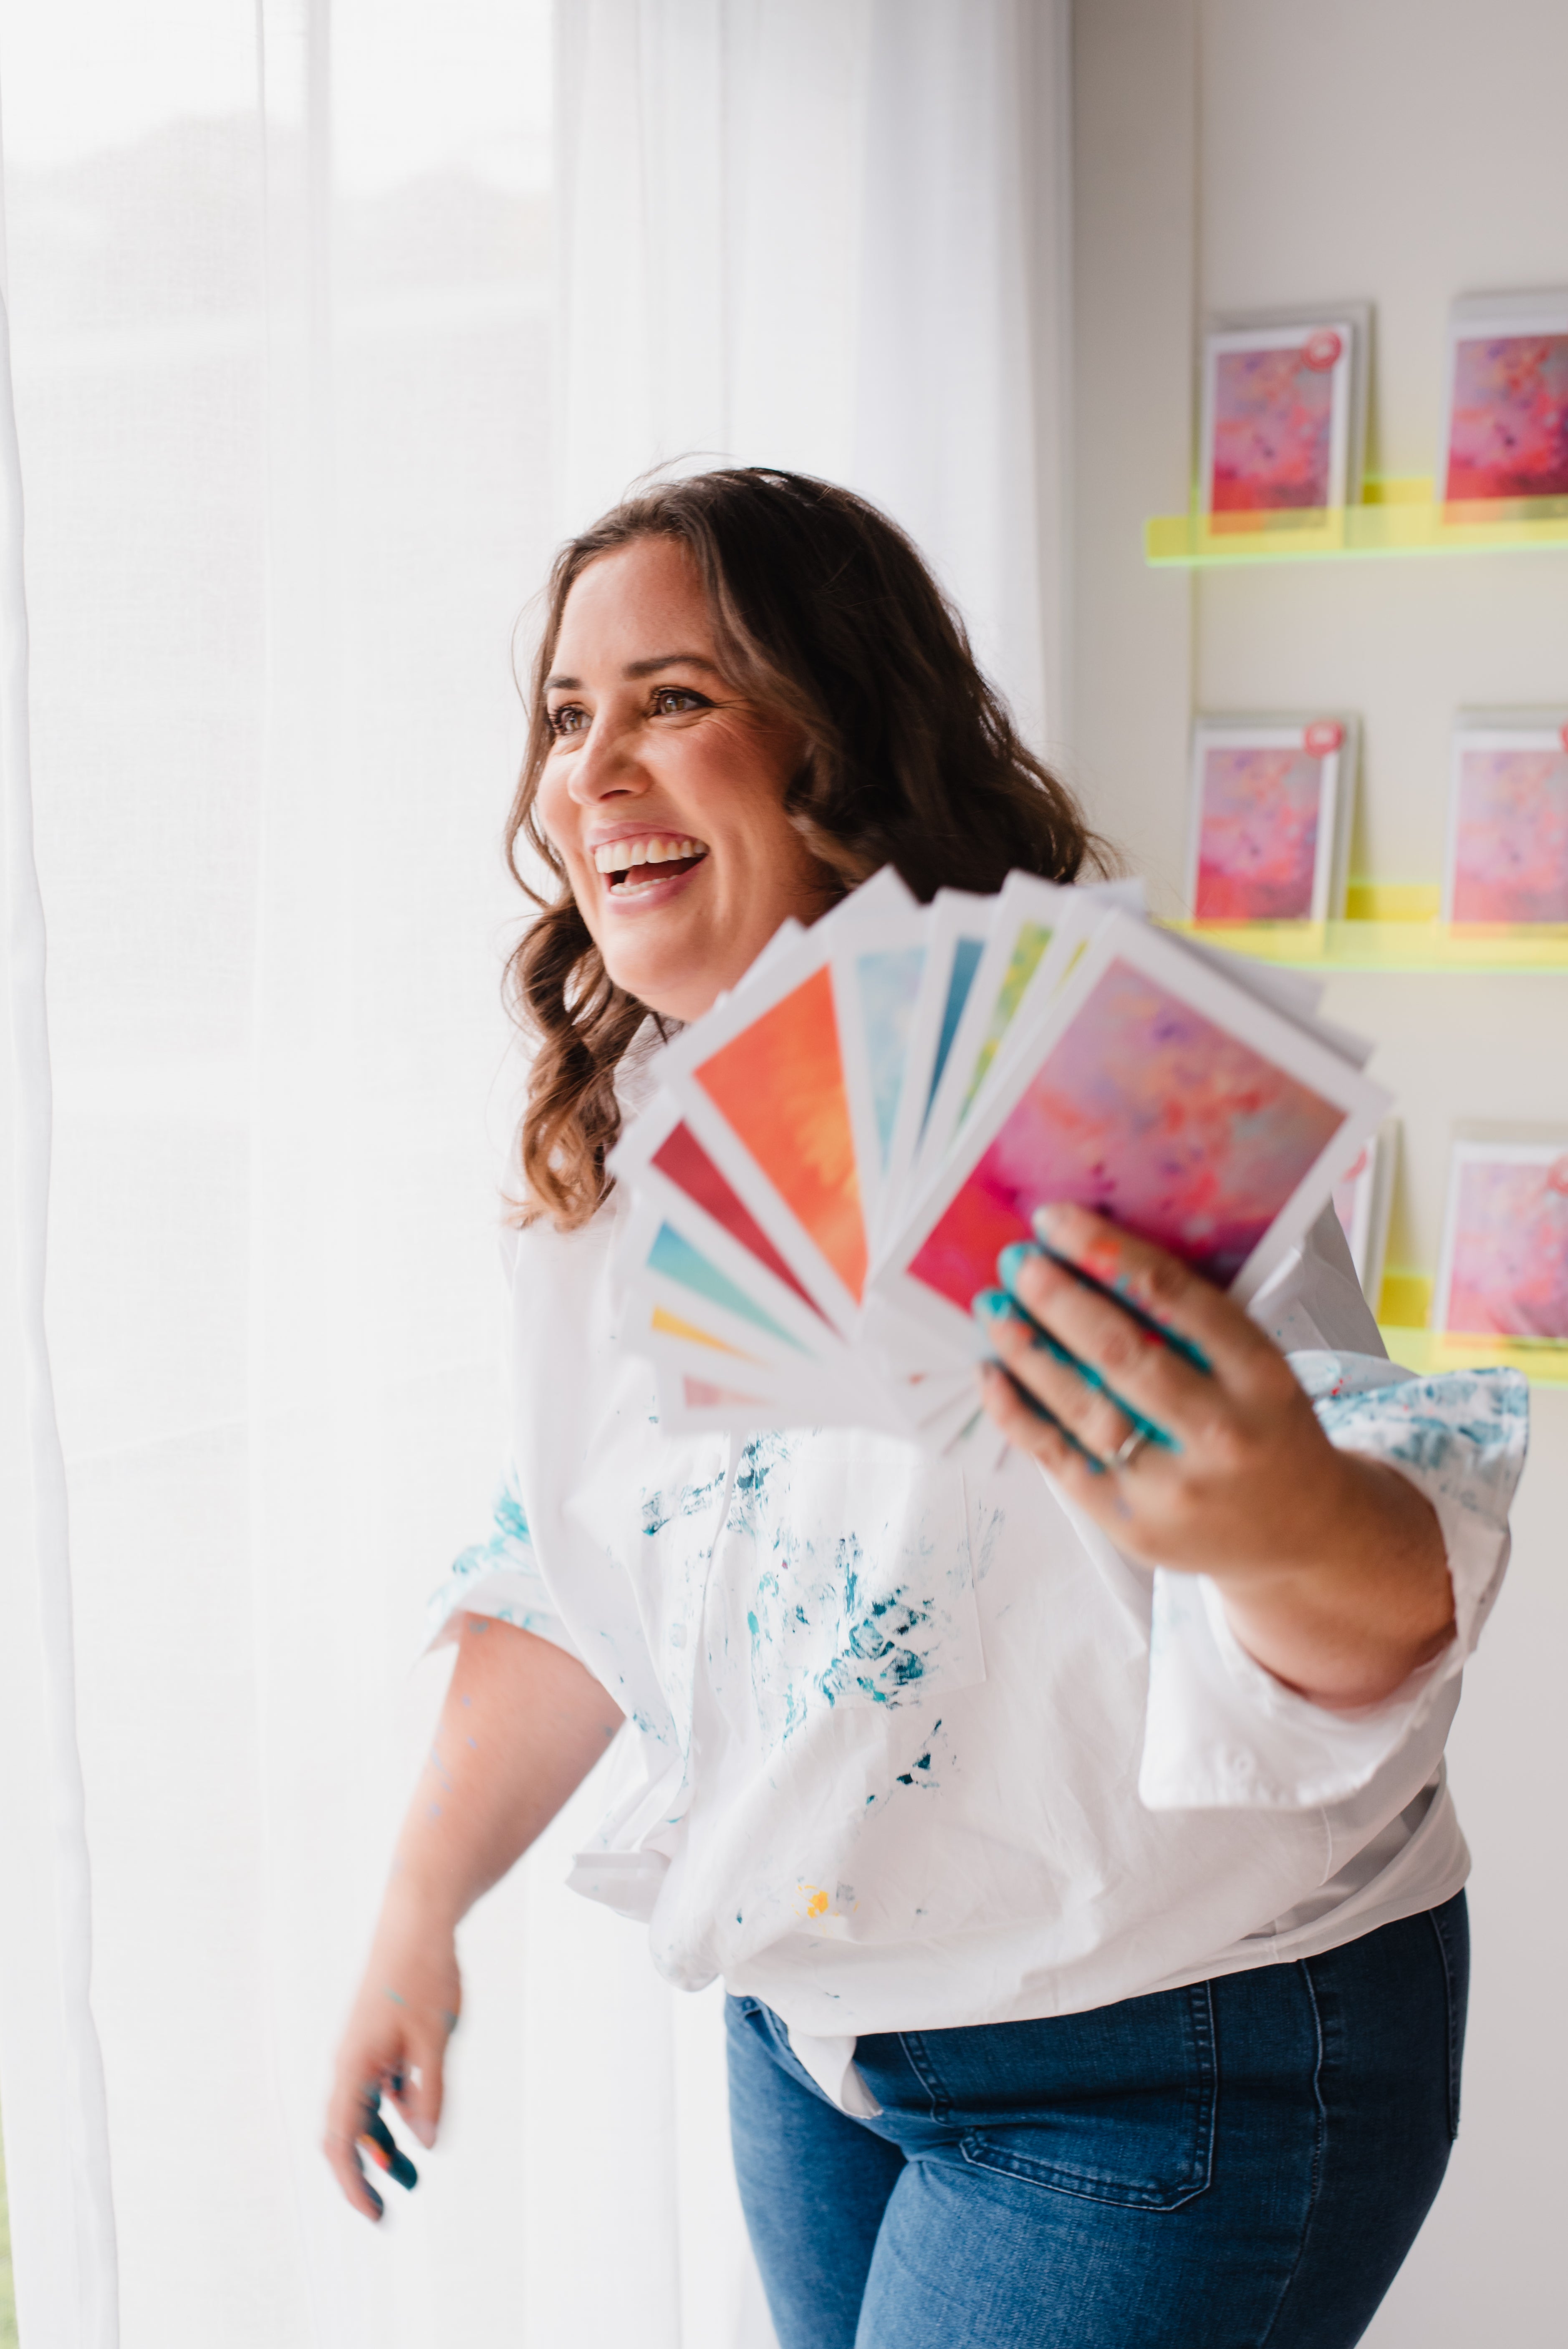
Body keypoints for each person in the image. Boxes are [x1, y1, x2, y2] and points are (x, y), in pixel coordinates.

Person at [324, 469, 1525, 2348]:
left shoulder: (1084, 1092)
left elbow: (1384, 1598)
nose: (592, 770)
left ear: (839, 731)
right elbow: (576, 1561)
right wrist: (417, 1913)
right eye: (569, 713)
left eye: (674, 698)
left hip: (1165, 2047)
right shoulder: (617, 1143)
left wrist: (1265, 1515)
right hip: (817, 2044)